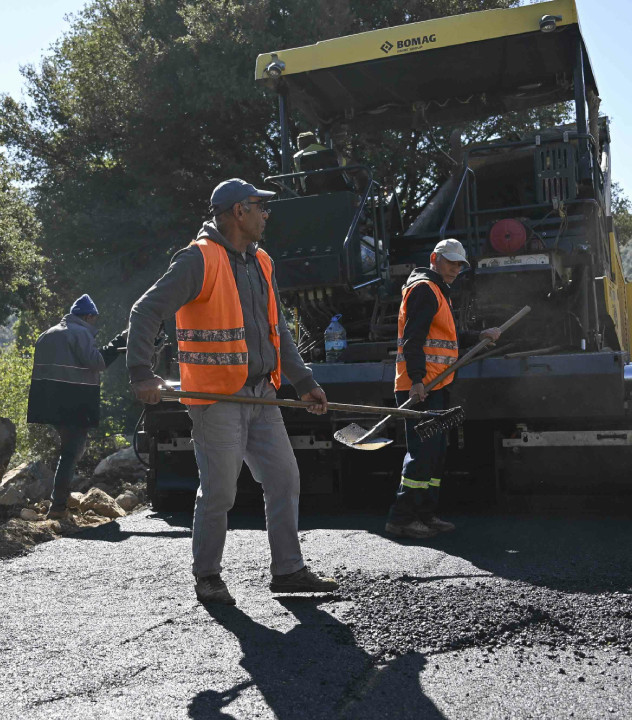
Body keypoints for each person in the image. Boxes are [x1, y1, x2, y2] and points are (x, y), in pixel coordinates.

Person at [127, 178, 338, 605]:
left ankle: (288, 571)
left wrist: (304, 383)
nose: (267, 214)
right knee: (220, 491)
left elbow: (277, 329)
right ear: (238, 212)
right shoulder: (198, 260)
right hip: (217, 399)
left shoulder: (261, 262)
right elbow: (146, 310)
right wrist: (140, 372)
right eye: (261, 207)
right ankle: (208, 576)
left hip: (261, 395)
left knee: (284, 477)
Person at [386, 239, 502, 539]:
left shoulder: (438, 292)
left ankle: (425, 514)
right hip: (422, 387)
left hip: (437, 385)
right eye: (450, 262)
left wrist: (480, 336)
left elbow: (448, 338)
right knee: (422, 453)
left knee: (436, 453)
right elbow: (412, 339)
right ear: (434, 258)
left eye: (459, 264)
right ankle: (401, 518)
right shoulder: (424, 289)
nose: (455, 268)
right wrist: (418, 381)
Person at [26, 294, 126, 520]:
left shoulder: (47, 334)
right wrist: (119, 342)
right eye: (94, 319)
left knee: (67, 451)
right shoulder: (80, 333)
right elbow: (98, 362)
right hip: (73, 404)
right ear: (89, 316)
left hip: (48, 404)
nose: (94, 324)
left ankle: (57, 501)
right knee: (71, 453)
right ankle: (58, 507)